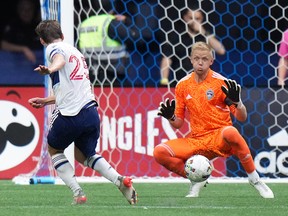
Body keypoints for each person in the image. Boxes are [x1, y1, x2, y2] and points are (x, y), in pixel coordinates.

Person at [28, 20, 137, 205]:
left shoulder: (52, 48)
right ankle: (120, 180)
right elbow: (70, 89)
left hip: (71, 116)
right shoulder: (77, 53)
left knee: (54, 149)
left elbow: (58, 59)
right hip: (91, 113)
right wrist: (46, 101)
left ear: (41, 41)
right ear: (62, 35)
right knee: (84, 154)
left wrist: (50, 69)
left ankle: (78, 193)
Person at [154, 41, 274, 199]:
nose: (200, 62)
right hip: (196, 141)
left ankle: (255, 180)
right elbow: (178, 124)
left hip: (219, 137)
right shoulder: (182, 85)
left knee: (231, 131)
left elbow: (241, 117)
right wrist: (171, 117)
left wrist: (239, 103)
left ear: (211, 61)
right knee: (159, 152)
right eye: (197, 58)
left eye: (204, 59)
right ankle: (197, 178)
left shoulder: (221, 83)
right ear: (191, 60)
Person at [159, 7, 226, 86]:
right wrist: (164, 80)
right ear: (185, 18)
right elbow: (166, 59)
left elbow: (221, 51)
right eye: (191, 18)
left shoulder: (205, 37)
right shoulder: (175, 37)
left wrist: (203, 32)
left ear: (202, 18)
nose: (194, 21)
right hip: (182, 83)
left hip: (205, 85)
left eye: (197, 18)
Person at [79, 12, 143, 86]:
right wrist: (128, 21)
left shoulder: (85, 23)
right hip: (114, 74)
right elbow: (137, 40)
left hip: (89, 74)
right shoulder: (110, 22)